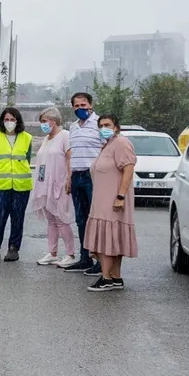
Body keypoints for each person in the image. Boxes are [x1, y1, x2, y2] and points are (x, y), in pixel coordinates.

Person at [84, 114, 137, 292]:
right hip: (102, 201)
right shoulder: (107, 145)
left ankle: (106, 277)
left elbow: (128, 169)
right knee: (111, 238)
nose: (103, 128)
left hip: (114, 200)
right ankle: (115, 277)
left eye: (107, 124)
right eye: (100, 125)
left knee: (108, 239)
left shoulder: (121, 143)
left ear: (116, 127)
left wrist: (120, 196)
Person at [63, 92, 107, 276]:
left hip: (93, 177)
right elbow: (71, 153)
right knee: (81, 219)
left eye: (84, 105)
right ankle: (85, 257)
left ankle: (101, 261)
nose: (80, 109)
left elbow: (107, 149)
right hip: (77, 176)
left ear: (91, 105)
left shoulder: (100, 125)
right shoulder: (73, 127)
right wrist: (69, 177)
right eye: (77, 106)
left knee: (96, 219)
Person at [31, 107, 77, 267]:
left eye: (44, 121)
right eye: (41, 121)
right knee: (51, 220)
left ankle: (70, 254)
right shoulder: (46, 139)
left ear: (54, 121)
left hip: (60, 184)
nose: (42, 125)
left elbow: (70, 158)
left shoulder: (65, 136)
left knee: (62, 219)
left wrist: (69, 179)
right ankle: (53, 253)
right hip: (45, 185)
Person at [0, 107, 33, 262]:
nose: (9, 122)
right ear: (2, 121)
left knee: (18, 217)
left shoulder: (27, 137)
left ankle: (13, 249)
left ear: (18, 121)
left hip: (21, 185)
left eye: (12, 119)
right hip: (1, 185)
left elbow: (27, 159)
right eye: (6, 119)